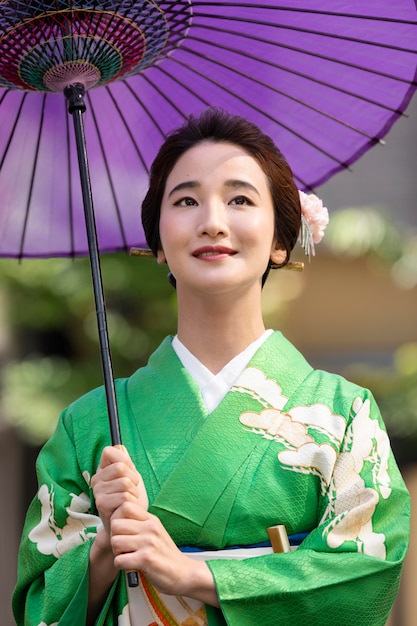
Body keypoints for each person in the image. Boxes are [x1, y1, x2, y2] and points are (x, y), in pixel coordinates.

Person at [13, 108, 409, 626]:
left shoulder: (345, 412)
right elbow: (40, 602)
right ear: (158, 242)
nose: (213, 222)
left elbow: (366, 577)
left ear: (280, 240)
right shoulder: (89, 426)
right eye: (186, 201)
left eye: (240, 199)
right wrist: (106, 548)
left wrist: (193, 576)